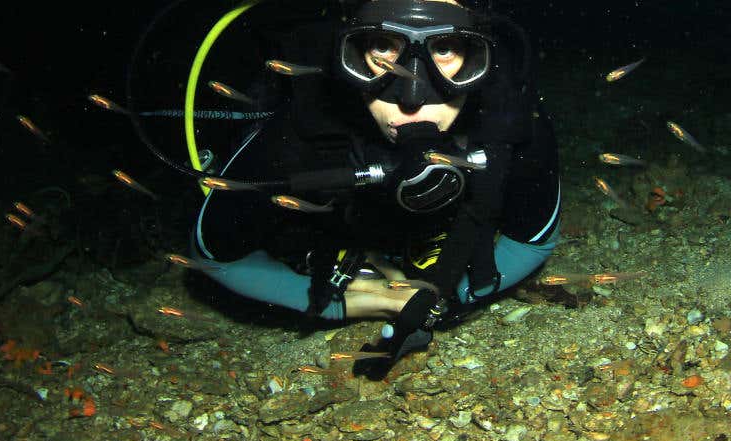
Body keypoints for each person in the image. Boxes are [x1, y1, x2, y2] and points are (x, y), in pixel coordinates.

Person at [188, 0, 559, 374]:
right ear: (347, 51)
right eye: (383, 46)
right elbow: (213, 255)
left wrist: (446, 295)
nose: (412, 98)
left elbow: (535, 239)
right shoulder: (304, 126)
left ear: (480, 57)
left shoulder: (509, 122)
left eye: (445, 48)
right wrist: (363, 301)